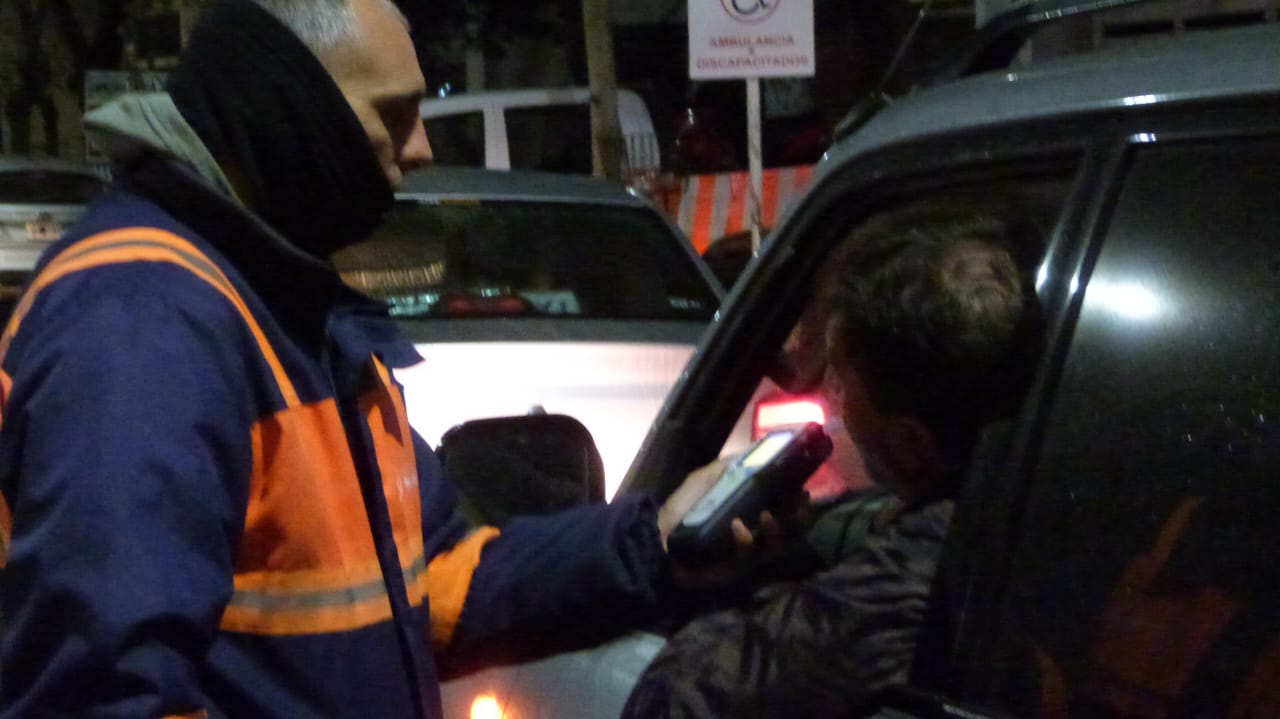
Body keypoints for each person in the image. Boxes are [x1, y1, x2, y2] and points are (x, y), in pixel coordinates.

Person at [0, 1, 757, 717]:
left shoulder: (281, 307)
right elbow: (102, 694)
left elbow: (435, 579)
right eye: (393, 115)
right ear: (285, 109)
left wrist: (656, 543)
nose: (421, 147)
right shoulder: (143, 323)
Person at [621, 200, 1045, 718]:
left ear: (912, 443)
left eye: (842, 381)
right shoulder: (1053, 499)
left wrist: (718, 587)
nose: (830, 393)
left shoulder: (911, 578)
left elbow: (675, 698)